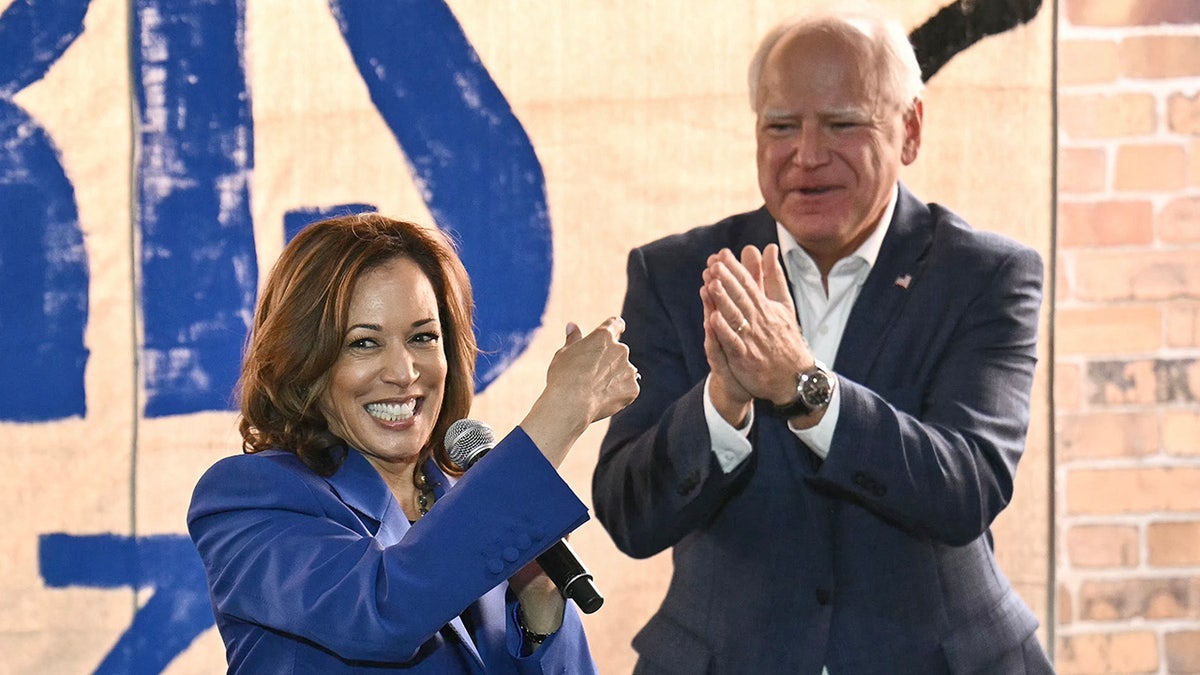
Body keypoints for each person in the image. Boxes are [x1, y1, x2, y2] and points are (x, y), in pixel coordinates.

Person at [592, 5, 1054, 674]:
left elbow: (967, 487)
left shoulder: (984, 275)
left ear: (910, 130)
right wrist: (721, 403)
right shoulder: (674, 275)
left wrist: (808, 390)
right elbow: (629, 515)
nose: (807, 156)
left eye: (842, 124)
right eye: (781, 126)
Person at [188, 213, 639, 673]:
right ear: (307, 364)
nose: (404, 373)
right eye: (363, 343)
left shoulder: (478, 502)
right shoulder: (248, 497)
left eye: (423, 337)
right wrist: (560, 414)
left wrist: (540, 613)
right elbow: (383, 612)